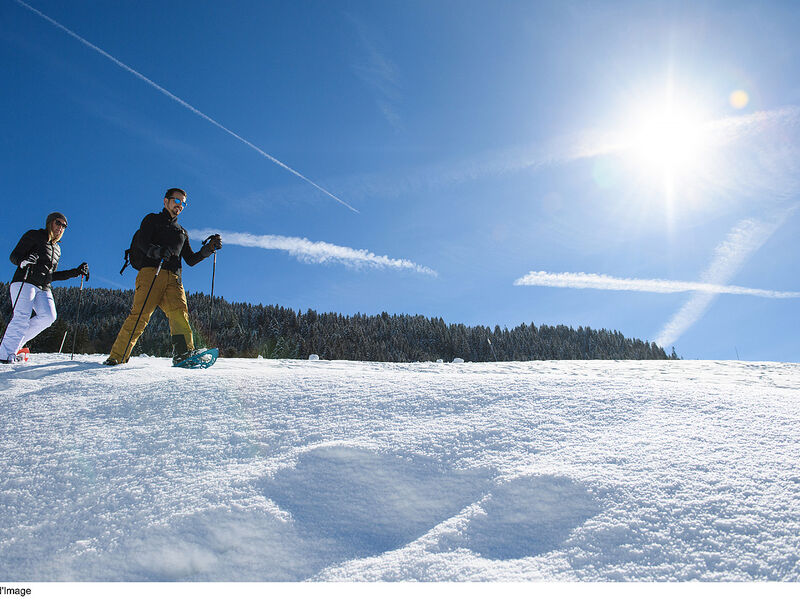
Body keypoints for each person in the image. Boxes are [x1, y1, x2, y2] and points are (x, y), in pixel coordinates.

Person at [103, 188, 222, 366]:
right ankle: (117, 356)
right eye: (177, 201)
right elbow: (142, 242)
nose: (180, 205)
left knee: (180, 314)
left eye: (183, 203)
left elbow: (190, 259)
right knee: (140, 315)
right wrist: (157, 251)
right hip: (151, 272)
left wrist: (208, 249)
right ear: (166, 201)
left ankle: (183, 353)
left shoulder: (182, 232)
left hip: (174, 279)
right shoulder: (152, 220)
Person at [0, 212, 89, 363]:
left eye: (64, 226)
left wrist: (76, 272)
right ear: (50, 223)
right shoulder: (34, 235)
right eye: (58, 223)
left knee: (48, 316)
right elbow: (14, 256)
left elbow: (52, 275)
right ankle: (4, 355)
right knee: (22, 316)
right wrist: (25, 261)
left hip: (43, 286)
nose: (61, 227)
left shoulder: (57, 249)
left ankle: (13, 345)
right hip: (25, 280)